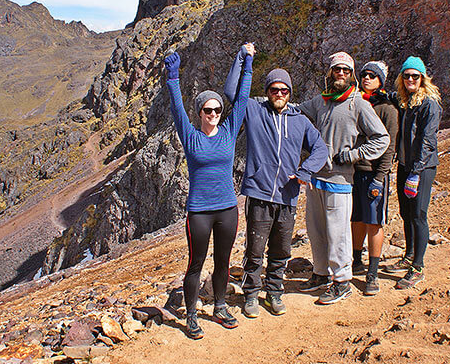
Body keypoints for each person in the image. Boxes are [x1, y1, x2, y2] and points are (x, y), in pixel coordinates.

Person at [223, 44, 328, 318]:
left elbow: (321, 149)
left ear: (290, 93)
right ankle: (251, 295)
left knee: (281, 250)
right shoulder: (255, 110)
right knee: (255, 248)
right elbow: (231, 92)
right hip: (259, 193)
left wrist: (305, 173)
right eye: (274, 90)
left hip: (288, 195)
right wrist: (243, 57)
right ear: (267, 91)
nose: (279, 94)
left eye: (284, 91)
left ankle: (275, 292)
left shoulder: (300, 121)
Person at [163, 45, 253, 339]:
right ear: (200, 112)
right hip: (199, 211)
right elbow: (177, 108)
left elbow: (241, 99)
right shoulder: (190, 136)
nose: (213, 113)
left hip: (227, 208)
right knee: (196, 263)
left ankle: (220, 306)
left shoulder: (228, 129)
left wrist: (248, 63)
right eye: (208, 109)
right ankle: (191, 316)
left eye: (216, 109)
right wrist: (173, 77)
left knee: (223, 261)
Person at [297, 51, 390, 305]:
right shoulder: (320, 101)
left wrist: (354, 155)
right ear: (330, 73)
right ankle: (320, 273)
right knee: (316, 231)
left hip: (340, 179)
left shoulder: (358, 103)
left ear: (352, 75)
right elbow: (296, 113)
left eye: (346, 71)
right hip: (315, 178)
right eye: (336, 69)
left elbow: (381, 138)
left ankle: (342, 281)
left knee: (338, 233)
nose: (340, 74)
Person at [383, 56, 441, 290]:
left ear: (423, 78)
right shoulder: (405, 101)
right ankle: (408, 256)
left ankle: (418, 266)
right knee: (406, 213)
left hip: (422, 168)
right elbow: (391, 98)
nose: (410, 80)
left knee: (418, 214)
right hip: (406, 165)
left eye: (415, 76)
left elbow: (428, 140)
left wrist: (416, 172)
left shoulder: (429, 104)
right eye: (406, 76)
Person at [350, 60, 398, 296]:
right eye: (364, 75)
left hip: (373, 173)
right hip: (354, 172)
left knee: (374, 221)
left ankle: (373, 273)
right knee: (357, 218)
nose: (367, 78)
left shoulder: (387, 109)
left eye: (372, 75)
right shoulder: (356, 103)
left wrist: (381, 176)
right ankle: (356, 260)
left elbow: (389, 146)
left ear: (381, 81)